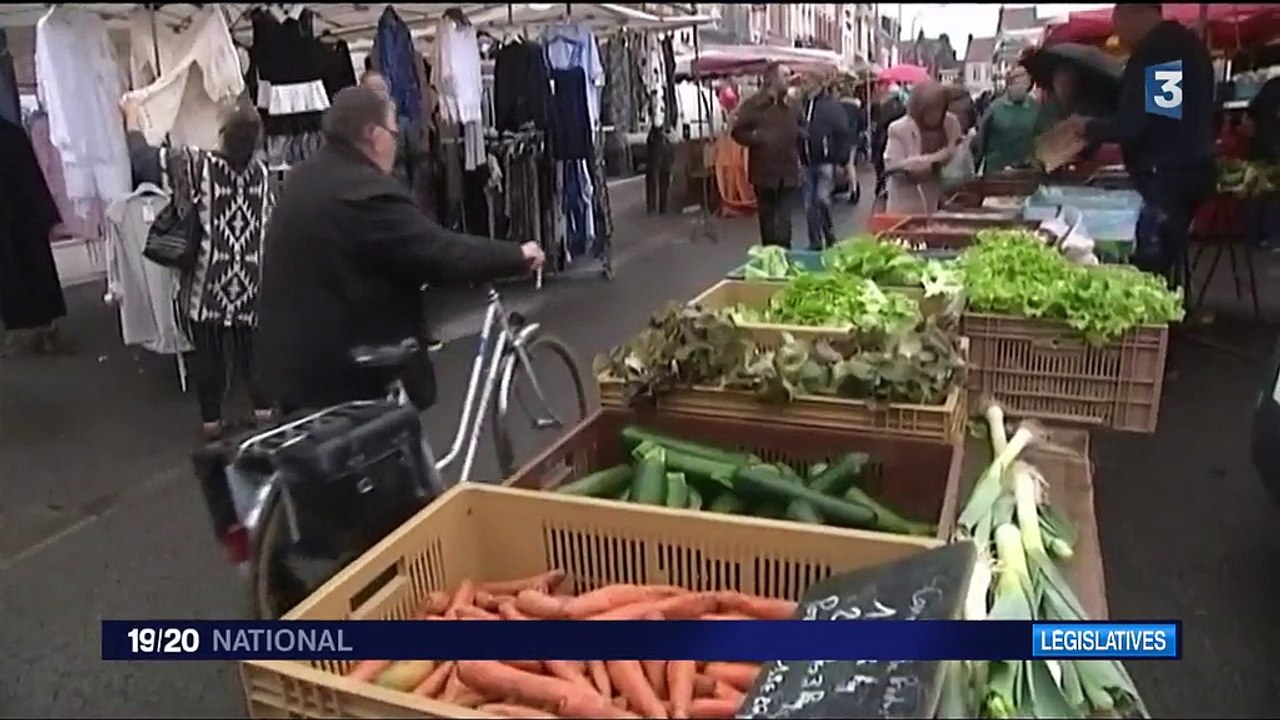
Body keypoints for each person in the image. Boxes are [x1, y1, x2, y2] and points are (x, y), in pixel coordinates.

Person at [253, 87, 543, 413]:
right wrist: (515, 256)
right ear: (374, 136)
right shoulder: (366, 191)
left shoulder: (301, 178)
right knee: (398, 450)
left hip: (290, 367)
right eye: (394, 132)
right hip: (345, 375)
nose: (397, 142)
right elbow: (437, 252)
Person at [122, 99, 277, 440]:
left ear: (222, 135)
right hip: (251, 285)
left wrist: (132, 119)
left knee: (209, 359)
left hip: (206, 285)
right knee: (253, 355)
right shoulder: (264, 176)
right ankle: (264, 413)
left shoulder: (196, 165)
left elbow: (143, 160)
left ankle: (212, 423)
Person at [1064, 2, 1214, 283]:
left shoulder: (1164, 51)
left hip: (1168, 175)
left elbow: (1151, 123)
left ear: (1135, 13)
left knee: (1150, 271)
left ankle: (1157, 323)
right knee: (1163, 268)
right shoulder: (1182, 46)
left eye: (1118, 25)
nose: (1119, 35)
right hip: (1184, 168)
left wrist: (1090, 127)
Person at [0, 116, 68, 356]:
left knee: (15, 271)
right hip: (26, 214)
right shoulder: (13, 134)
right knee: (33, 267)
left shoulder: (11, 134)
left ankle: (29, 331)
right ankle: (44, 328)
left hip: (18, 215)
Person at [731, 63, 804, 248]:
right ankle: (769, 258)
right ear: (772, 79)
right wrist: (757, 138)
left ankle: (785, 257)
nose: (789, 79)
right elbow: (738, 131)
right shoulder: (754, 105)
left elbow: (804, 128)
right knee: (768, 222)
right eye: (785, 75)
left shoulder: (793, 106)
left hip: (787, 172)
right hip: (764, 173)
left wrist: (798, 135)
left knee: (785, 223)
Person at [882, 82, 963, 215]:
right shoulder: (899, 129)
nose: (935, 114)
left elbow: (957, 158)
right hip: (906, 204)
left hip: (937, 203)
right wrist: (941, 156)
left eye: (939, 108)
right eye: (931, 109)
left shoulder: (950, 124)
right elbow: (892, 165)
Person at [799, 79, 853, 249]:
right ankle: (815, 241)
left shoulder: (831, 107)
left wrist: (841, 161)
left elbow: (843, 132)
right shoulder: (801, 106)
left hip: (825, 161)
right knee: (810, 204)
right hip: (806, 162)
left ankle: (828, 234)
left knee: (821, 199)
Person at [974, 66, 1040, 174]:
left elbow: (1041, 137)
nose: (1023, 87)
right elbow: (980, 140)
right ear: (1009, 85)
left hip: (1026, 171)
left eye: (1026, 84)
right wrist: (976, 165)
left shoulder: (1034, 108)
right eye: (1018, 83)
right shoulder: (995, 108)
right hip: (997, 170)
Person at [871, 83, 908, 202]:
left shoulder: (885, 105)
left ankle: (881, 183)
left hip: (884, 136)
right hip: (893, 137)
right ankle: (884, 184)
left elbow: (880, 122)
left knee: (881, 160)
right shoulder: (902, 106)